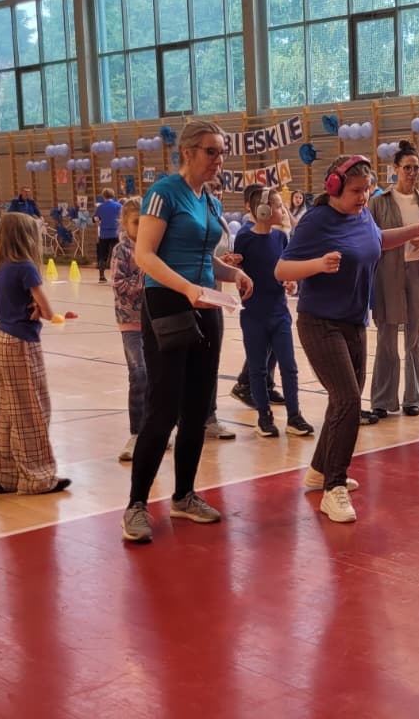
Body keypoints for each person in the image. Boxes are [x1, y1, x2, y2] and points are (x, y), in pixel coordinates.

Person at [276, 154, 419, 524]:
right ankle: (333, 487)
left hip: (354, 322)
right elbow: (281, 269)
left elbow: (377, 240)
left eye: (367, 190)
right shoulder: (316, 221)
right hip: (320, 323)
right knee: (348, 400)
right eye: (355, 191)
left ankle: (319, 470)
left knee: (343, 400)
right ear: (334, 187)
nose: (363, 197)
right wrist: (317, 265)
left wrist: (414, 230)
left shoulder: (363, 215)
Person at [122, 120, 253, 543]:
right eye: (212, 151)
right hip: (168, 304)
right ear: (188, 152)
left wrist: (232, 274)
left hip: (206, 305)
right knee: (163, 410)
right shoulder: (164, 193)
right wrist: (186, 289)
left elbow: (202, 257)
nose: (219, 160)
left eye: (222, 152)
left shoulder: (208, 199)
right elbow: (145, 255)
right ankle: (136, 505)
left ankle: (183, 496)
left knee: (197, 409)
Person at [0, 212, 72, 495]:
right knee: (32, 410)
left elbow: (14, 303)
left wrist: (33, 308)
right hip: (21, 343)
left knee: (10, 408)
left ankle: (6, 474)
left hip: (1, 338)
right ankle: (38, 477)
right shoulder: (26, 268)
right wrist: (44, 311)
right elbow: (47, 310)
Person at [226, 184, 314, 439]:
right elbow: (239, 275)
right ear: (263, 210)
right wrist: (233, 266)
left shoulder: (281, 238)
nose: (282, 210)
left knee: (289, 366)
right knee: (257, 369)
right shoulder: (244, 238)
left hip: (279, 313)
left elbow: (285, 270)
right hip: (254, 315)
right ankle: (264, 417)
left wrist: (291, 282)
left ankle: (294, 416)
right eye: (277, 206)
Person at [366, 140, 419, 420]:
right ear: (395, 169)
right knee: (386, 338)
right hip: (387, 274)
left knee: (414, 338)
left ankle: (413, 398)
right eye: (407, 168)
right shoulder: (378, 202)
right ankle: (382, 399)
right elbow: (370, 241)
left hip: (417, 273)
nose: (412, 173)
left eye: (416, 168)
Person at [110, 199, 147, 462]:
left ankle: (153, 430)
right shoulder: (121, 250)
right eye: (136, 222)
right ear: (125, 223)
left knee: (155, 377)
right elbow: (119, 284)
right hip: (130, 321)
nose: (142, 227)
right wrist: (145, 276)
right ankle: (136, 434)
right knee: (139, 373)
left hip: (154, 321)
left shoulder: (153, 246)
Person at [93, 188, 122, 283]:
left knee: (103, 254)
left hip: (104, 234)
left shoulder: (100, 207)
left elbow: (95, 218)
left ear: (103, 196)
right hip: (115, 233)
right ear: (113, 195)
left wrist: (98, 221)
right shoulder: (119, 206)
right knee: (117, 254)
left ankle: (101, 275)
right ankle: (117, 275)